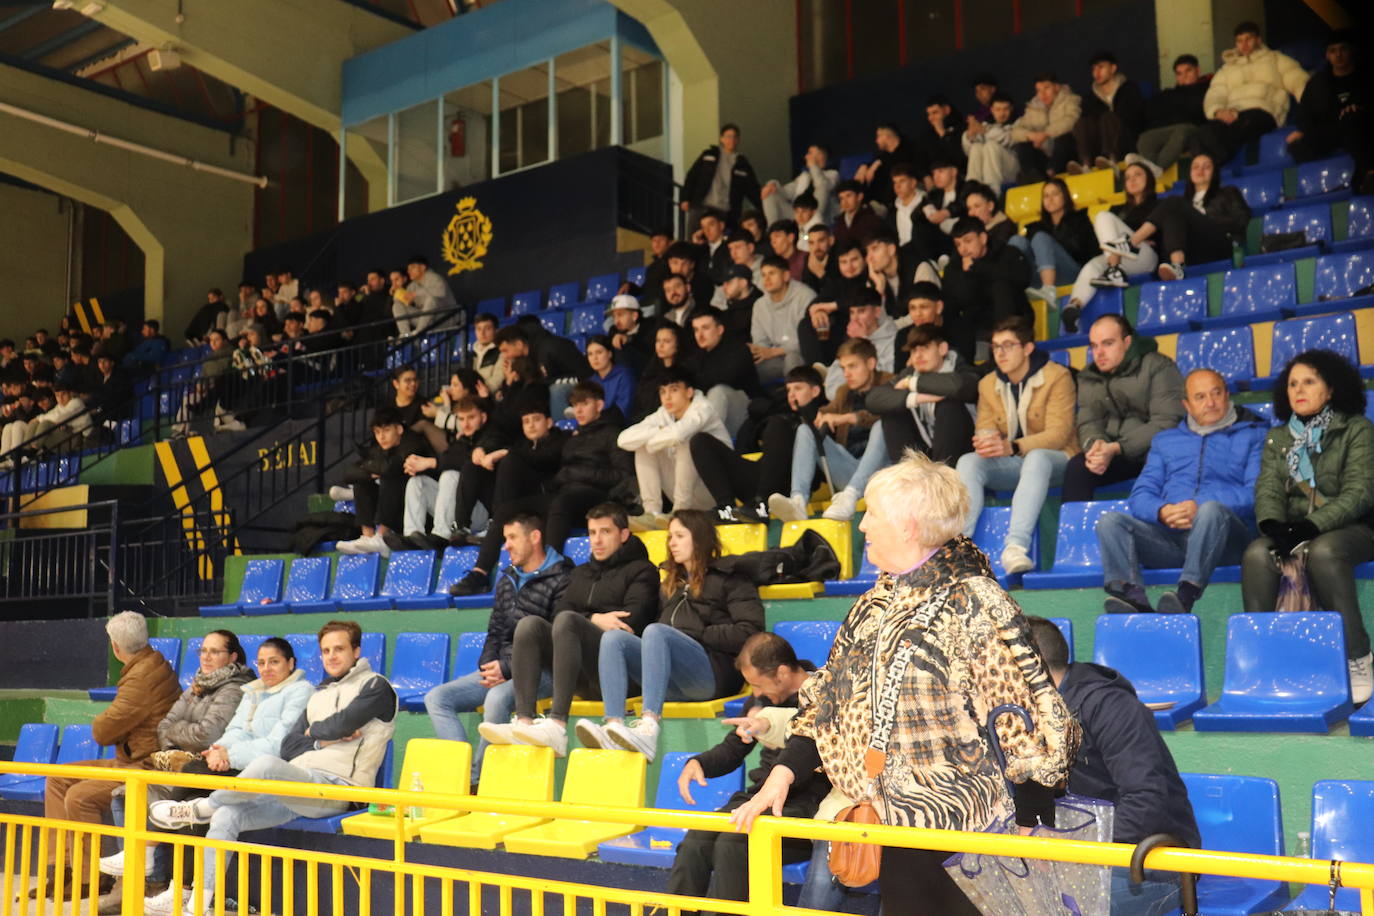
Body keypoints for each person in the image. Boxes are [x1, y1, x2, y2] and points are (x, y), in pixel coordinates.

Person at [730, 452, 1079, 914]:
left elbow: (1023, 718)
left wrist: (1035, 822)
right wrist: (782, 774)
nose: (862, 526)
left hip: (973, 837)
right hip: (896, 827)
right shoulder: (873, 604)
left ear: (909, 525)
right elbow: (829, 704)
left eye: (872, 514)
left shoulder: (977, 603)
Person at [146, 621, 396, 916]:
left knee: (263, 764)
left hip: (339, 788)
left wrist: (314, 731)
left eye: (339, 648)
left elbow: (341, 724)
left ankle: (201, 807)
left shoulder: (376, 686)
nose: (331, 656)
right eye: (325, 650)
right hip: (298, 786)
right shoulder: (319, 694)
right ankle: (198, 904)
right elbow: (290, 745)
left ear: (356, 650)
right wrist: (319, 740)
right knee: (228, 815)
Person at [1026, 617, 1200, 916]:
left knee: (1052, 905)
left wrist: (1073, 848)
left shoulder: (1111, 706)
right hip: (1085, 857)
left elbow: (1146, 801)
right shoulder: (1029, 717)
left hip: (1155, 861)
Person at [575, 509, 764, 763]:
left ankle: (649, 728)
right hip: (674, 678)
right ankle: (614, 726)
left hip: (712, 673)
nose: (672, 543)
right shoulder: (670, 585)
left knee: (656, 631)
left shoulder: (730, 578)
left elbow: (750, 631)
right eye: (670, 537)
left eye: (679, 535)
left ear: (699, 539)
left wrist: (701, 633)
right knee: (614, 638)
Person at [1241, 350, 1374, 703]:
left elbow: (1360, 493)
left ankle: (1357, 657)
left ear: (1330, 390)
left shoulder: (1357, 428)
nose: (1299, 390)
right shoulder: (1278, 438)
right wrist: (1273, 526)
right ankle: (1262, 660)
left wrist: (1308, 527)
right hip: (1298, 529)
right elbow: (1268, 489)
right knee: (1257, 553)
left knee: (1326, 552)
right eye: (1292, 383)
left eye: (1309, 382)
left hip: (1354, 529)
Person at [477, 503, 660, 755]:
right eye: (592, 533)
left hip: (624, 676)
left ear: (624, 535)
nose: (597, 540)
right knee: (531, 625)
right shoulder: (581, 573)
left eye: (605, 532)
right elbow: (558, 614)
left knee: (569, 622)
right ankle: (524, 722)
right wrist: (594, 618)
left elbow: (631, 621)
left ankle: (557, 725)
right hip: (583, 674)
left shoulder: (643, 570)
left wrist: (583, 620)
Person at [666, 633, 828, 908]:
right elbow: (734, 747)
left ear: (782, 672)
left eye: (757, 684)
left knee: (734, 845)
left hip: (808, 805)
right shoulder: (760, 701)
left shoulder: (825, 695)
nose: (755, 694)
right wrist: (699, 762)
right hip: (758, 799)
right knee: (696, 841)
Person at [35, 612, 180, 903]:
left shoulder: (140, 678)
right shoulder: (154, 662)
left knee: (79, 796)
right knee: (58, 777)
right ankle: (62, 869)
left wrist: (104, 722)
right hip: (131, 760)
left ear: (115, 647)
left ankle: (90, 877)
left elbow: (102, 732)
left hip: (144, 767)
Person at [1096, 368, 1267, 614]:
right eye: (1200, 397)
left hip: (1226, 539)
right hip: (1171, 538)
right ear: (1187, 405)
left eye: (1216, 393)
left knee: (1210, 510)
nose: (1210, 402)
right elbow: (1141, 494)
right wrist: (1162, 511)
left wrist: (1197, 505)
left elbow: (1255, 493)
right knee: (1110, 522)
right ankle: (1134, 598)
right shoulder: (1165, 441)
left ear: (1227, 395)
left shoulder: (1255, 435)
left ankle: (1185, 596)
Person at [99, 630, 253, 897]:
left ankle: (152, 879)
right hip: (176, 765)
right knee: (122, 796)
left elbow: (208, 735)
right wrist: (178, 740)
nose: (206, 656)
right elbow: (163, 727)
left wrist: (177, 734)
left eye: (214, 651)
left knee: (150, 794)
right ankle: (143, 876)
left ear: (232, 657)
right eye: (203, 650)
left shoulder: (234, 688)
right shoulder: (198, 686)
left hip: (207, 768)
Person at [431, 514, 574, 769]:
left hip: (544, 671)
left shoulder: (563, 577)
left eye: (512, 537)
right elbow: (495, 629)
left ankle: (478, 780)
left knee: (496, 698)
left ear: (535, 537)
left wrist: (507, 668)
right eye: (505, 538)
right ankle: (460, 772)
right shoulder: (507, 577)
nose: (505, 545)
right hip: (503, 668)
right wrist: (490, 665)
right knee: (437, 698)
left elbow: (557, 638)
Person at [957, 316, 1079, 574]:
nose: (1000, 353)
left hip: (1058, 460)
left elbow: (1058, 434)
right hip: (1013, 463)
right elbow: (986, 426)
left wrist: (1012, 446)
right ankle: (960, 547)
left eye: (1008, 345)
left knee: (1036, 457)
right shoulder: (987, 383)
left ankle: (1015, 546)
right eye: (996, 346)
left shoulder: (1058, 376)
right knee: (968, 461)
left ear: (1027, 348)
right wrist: (986, 441)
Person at [448, 397, 570, 596]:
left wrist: (504, 453)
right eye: (526, 421)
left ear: (548, 422)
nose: (530, 425)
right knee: (497, 499)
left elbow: (544, 459)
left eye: (536, 419)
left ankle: (497, 522)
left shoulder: (562, 439)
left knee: (510, 462)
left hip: (553, 500)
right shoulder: (521, 445)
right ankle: (479, 573)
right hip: (525, 501)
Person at [772, 338, 892, 523]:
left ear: (871, 363)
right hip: (850, 468)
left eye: (852, 366)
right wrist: (820, 415)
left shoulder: (890, 382)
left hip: (883, 474)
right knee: (806, 429)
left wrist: (850, 418)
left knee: (882, 425)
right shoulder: (844, 391)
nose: (847, 374)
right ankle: (798, 501)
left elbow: (889, 415)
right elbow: (830, 410)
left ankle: (850, 497)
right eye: (843, 368)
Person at [1066, 315, 1186, 501]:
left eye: (1107, 343)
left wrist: (1118, 447)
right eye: (1094, 346)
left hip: (1152, 451)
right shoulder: (1088, 377)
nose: (1099, 353)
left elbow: (1167, 421)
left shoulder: (1158, 366)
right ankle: (1074, 529)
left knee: (1160, 461)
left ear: (1127, 342)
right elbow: (1088, 422)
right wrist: (1096, 446)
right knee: (1079, 466)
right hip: (1114, 452)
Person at [693, 365, 828, 524]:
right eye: (789, 390)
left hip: (788, 485)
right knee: (699, 440)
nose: (791, 395)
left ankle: (761, 504)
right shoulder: (782, 413)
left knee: (778, 424)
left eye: (798, 388)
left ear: (815, 391)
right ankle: (726, 508)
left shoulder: (827, 416)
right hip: (763, 477)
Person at [1108, 151, 1250, 281]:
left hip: (1220, 245)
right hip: (1193, 252)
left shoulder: (1229, 192)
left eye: (1206, 167)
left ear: (1215, 172)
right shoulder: (1184, 202)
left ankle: (1131, 243)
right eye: (1195, 167)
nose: (1200, 170)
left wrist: (1204, 218)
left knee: (1173, 202)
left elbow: (1241, 219)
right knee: (1173, 210)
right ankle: (1177, 267)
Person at [618, 367, 730, 529]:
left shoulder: (703, 408)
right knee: (642, 447)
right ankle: (651, 512)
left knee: (686, 440)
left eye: (674, 390)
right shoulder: (662, 414)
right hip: (685, 490)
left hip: (715, 491)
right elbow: (623, 440)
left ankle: (680, 510)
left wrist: (652, 438)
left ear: (689, 392)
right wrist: (658, 431)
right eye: (663, 392)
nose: (667, 397)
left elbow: (679, 433)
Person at [1193, 21, 1308, 168]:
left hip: (1264, 112)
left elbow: (1298, 81)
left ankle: (1214, 165)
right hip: (1233, 114)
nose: (1244, 44)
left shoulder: (1276, 59)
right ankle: (1211, 166)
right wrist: (1218, 111)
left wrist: (1310, 110)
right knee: (1200, 134)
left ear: (1258, 40)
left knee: (1244, 124)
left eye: (1248, 39)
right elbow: (1215, 93)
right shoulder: (1228, 68)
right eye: (1240, 41)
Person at [1064, 162, 1161, 333]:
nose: (1132, 180)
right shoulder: (1118, 210)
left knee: (1102, 216)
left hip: (1146, 257)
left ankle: (1114, 270)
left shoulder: (1159, 205)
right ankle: (1074, 306)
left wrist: (1144, 238)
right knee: (1094, 264)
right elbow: (1103, 243)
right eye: (1128, 177)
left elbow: (1166, 234)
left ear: (1149, 179)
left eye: (1138, 175)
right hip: (1123, 260)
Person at [868, 323, 978, 469]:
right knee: (893, 413)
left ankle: (943, 477)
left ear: (942, 349)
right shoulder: (910, 372)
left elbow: (958, 386)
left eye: (925, 348)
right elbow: (873, 399)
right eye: (914, 350)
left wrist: (911, 383)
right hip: (927, 448)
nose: (918, 355)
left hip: (964, 452)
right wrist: (915, 398)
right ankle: (907, 476)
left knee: (948, 406)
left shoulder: (962, 369)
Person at [333, 407, 431, 556]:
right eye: (377, 432)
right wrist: (371, 471)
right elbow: (348, 474)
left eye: (386, 430)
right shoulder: (379, 449)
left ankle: (382, 537)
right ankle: (367, 537)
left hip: (420, 516)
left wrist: (371, 468)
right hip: (397, 512)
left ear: (399, 429)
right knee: (362, 481)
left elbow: (389, 468)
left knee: (389, 477)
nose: (381, 437)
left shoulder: (413, 444)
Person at [401, 395, 491, 548]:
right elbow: (447, 459)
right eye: (461, 419)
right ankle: (412, 536)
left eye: (471, 418)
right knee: (418, 481)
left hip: (482, 512)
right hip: (458, 511)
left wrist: (428, 462)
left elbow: (466, 462)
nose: (466, 424)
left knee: (450, 475)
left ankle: (441, 535)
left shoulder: (491, 435)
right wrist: (416, 464)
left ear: (483, 417)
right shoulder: (463, 439)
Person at [940, 217, 1033, 362]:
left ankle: (1003, 347)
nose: (963, 249)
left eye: (968, 241)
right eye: (958, 244)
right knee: (957, 317)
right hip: (978, 322)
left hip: (1013, 317)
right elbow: (957, 299)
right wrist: (967, 274)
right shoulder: (954, 267)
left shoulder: (1008, 253)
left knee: (1001, 288)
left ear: (982, 238)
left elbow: (1022, 279)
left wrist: (977, 267)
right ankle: (965, 368)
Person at [1289, 29, 1369, 193]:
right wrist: (1305, 132)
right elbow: (1304, 113)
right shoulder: (1318, 82)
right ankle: (1317, 189)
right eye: (1333, 51)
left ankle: (1366, 175)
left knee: (1352, 120)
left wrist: (1360, 109)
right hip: (1330, 130)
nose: (1338, 55)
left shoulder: (1366, 76)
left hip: (1361, 126)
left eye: (1343, 49)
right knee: (1296, 145)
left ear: (1351, 51)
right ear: (1327, 55)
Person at [1008, 177, 1098, 306]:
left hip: (1072, 272)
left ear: (1065, 197)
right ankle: (1013, 290)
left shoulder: (1080, 220)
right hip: (1039, 276)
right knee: (1016, 240)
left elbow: (1087, 251)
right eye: (1046, 196)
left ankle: (1049, 290)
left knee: (1040, 238)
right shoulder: (1036, 226)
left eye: (1055, 194)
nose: (1050, 199)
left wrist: (1050, 244)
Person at [683, 308, 762, 437]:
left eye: (705, 328)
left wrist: (699, 381)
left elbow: (726, 377)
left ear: (720, 330)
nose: (700, 335)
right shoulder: (697, 357)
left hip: (746, 414)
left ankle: (705, 445)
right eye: (696, 330)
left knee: (718, 391)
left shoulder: (739, 349)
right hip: (716, 417)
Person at [1129, 54, 1208, 176]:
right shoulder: (1167, 94)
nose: (1184, 76)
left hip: (1191, 128)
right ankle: (1153, 168)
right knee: (1144, 139)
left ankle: (1155, 168)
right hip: (1166, 129)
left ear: (1198, 71)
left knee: (1182, 131)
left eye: (1188, 71)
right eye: (1179, 73)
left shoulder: (1206, 90)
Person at [1069, 51, 1146, 172]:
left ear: (1113, 68)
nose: (1096, 72)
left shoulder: (1129, 88)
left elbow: (1134, 117)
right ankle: (1086, 164)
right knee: (1082, 123)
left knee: (1108, 117)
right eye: (1094, 69)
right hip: (1099, 146)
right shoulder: (1089, 97)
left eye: (1101, 67)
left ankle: (1112, 159)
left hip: (1126, 139)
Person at [749, 255, 817, 384]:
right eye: (763, 275)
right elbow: (761, 341)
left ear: (786, 276)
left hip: (803, 356)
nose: (767, 279)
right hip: (775, 359)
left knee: (792, 359)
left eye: (772, 273)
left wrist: (773, 352)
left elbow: (808, 340)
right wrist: (757, 350)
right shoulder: (759, 305)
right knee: (746, 369)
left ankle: (793, 400)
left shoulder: (805, 297)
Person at [681, 123, 762, 228]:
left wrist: (764, 206)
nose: (732, 140)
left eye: (735, 137)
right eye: (728, 136)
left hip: (725, 212)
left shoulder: (742, 164)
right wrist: (685, 198)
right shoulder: (709, 155)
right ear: (721, 139)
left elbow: (752, 189)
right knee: (695, 240)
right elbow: (692, 176)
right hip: (701, 207)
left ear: (738, 140)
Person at [1011, 72, 1083, 181]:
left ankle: (1053, 172)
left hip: (1067, 154)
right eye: (1039, 90)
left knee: (1064, 139)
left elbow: (1071, 120)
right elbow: (1015, 132)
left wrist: (1046, 134)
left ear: (1057, 87)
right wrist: (1032, 136)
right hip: (1045, 154)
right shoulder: (1033, 108)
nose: (1043, 94)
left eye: (1046, 88)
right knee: (1023, 146)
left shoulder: (1070, 100)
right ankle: (1032, 176)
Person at [762, 143, 838, 226]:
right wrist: (772, 184)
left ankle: (813, 226)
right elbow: (785, 192)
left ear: (821, 155)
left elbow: (822, 185)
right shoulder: (804, 177)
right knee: (770, 194)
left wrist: (813, 166)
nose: (806, 157)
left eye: (810, 153)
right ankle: (773, 232)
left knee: (823, 187)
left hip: (818, 215)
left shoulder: (832, 174)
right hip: (798, 214)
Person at [962, 94, 1019, 189]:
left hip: (1012, 168)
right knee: (976, 147)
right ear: (992, 110)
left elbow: (1008, 140)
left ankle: (992, 190)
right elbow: (968, 151)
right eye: (998, 109)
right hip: (988, 169)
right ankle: (971, 186)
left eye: (1005, 109)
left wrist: (985, 131)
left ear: (1011, 109)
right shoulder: (986, 124)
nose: (1002, 113)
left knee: (991, 146)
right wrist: (970, 134)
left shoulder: (1019, 123)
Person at [852, 123, 913, 211]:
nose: (876, 141)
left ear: (886, 136)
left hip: (890, 203)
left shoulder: (908, 151)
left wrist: (876, 164)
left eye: (878, 136)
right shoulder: (882, 157)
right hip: (872, 202)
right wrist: (864, 166)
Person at [394, 255, 458, 336]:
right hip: (427, 321)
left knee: (431, 300)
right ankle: (405, 336)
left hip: (445, 318)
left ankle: (418, 334)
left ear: (423, 267)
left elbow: (440, 292)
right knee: (397, 306)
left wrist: (415, 294)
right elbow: (403, 300)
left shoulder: (434, 278)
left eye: (412, 268)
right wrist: (397, 293)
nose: (409, 271)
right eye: (408, 269)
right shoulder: (412, 286)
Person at [583, 334, 635, 420]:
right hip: (596, 427)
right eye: (590, 354)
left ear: (609, 354)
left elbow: (623, 410)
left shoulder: (624, 376)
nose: (594, 358)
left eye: (599, 352)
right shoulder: (590, 382)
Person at [915, 94, 966, 173]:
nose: (931, 118)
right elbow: (921, 158)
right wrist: (925, 175)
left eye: (935, 112)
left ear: (946, 110)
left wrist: (943, 134)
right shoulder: (928, 135)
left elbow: (959, 157)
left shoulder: (961, 128)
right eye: (929, 114)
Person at [961, 181, 1017, 252]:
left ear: (990, 206)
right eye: (969, 208)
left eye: (977, 206)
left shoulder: (1006, 227)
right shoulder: (968, 231)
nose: (972, 213)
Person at [830, 179, 884, 249]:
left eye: (848, 196)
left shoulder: (872, 220)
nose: (844, 202)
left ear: (860, 196)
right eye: (841, 198)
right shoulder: (839, 222)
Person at [469, 312, 503, 393]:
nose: (482, 333)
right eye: (479, 329)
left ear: (496, 330)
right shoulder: (470, 355)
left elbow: (497, 380)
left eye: (487, 328)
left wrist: (477, 391)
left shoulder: (502, 352)